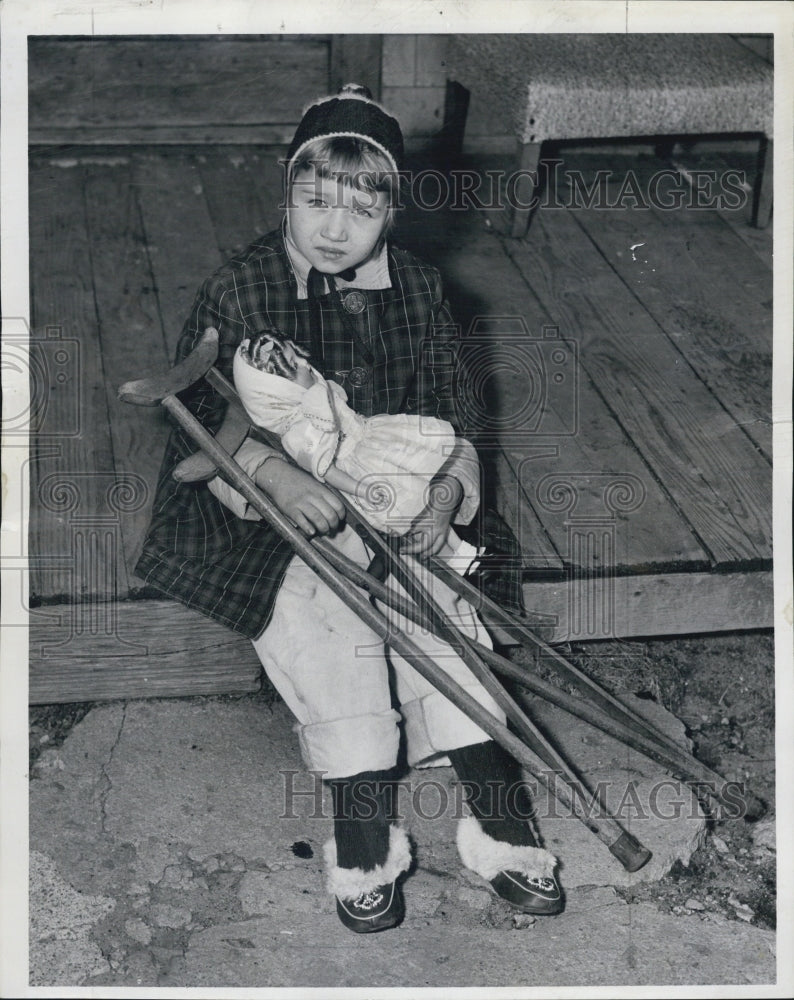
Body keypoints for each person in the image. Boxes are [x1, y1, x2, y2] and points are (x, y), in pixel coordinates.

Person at [136, 84, 564, 932]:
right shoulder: (243, 285)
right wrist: (269, 471)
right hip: (269, 521)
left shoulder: (416, 288)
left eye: (361, 211)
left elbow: (455, 404)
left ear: (391, 213)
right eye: (316, 202)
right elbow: (185, 410)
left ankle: (505, 834)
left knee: (448, 630)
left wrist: (445, 493)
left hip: (396, 501)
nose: (335, 228)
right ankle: (363, 847)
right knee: (339, 653)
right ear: (286, 196)